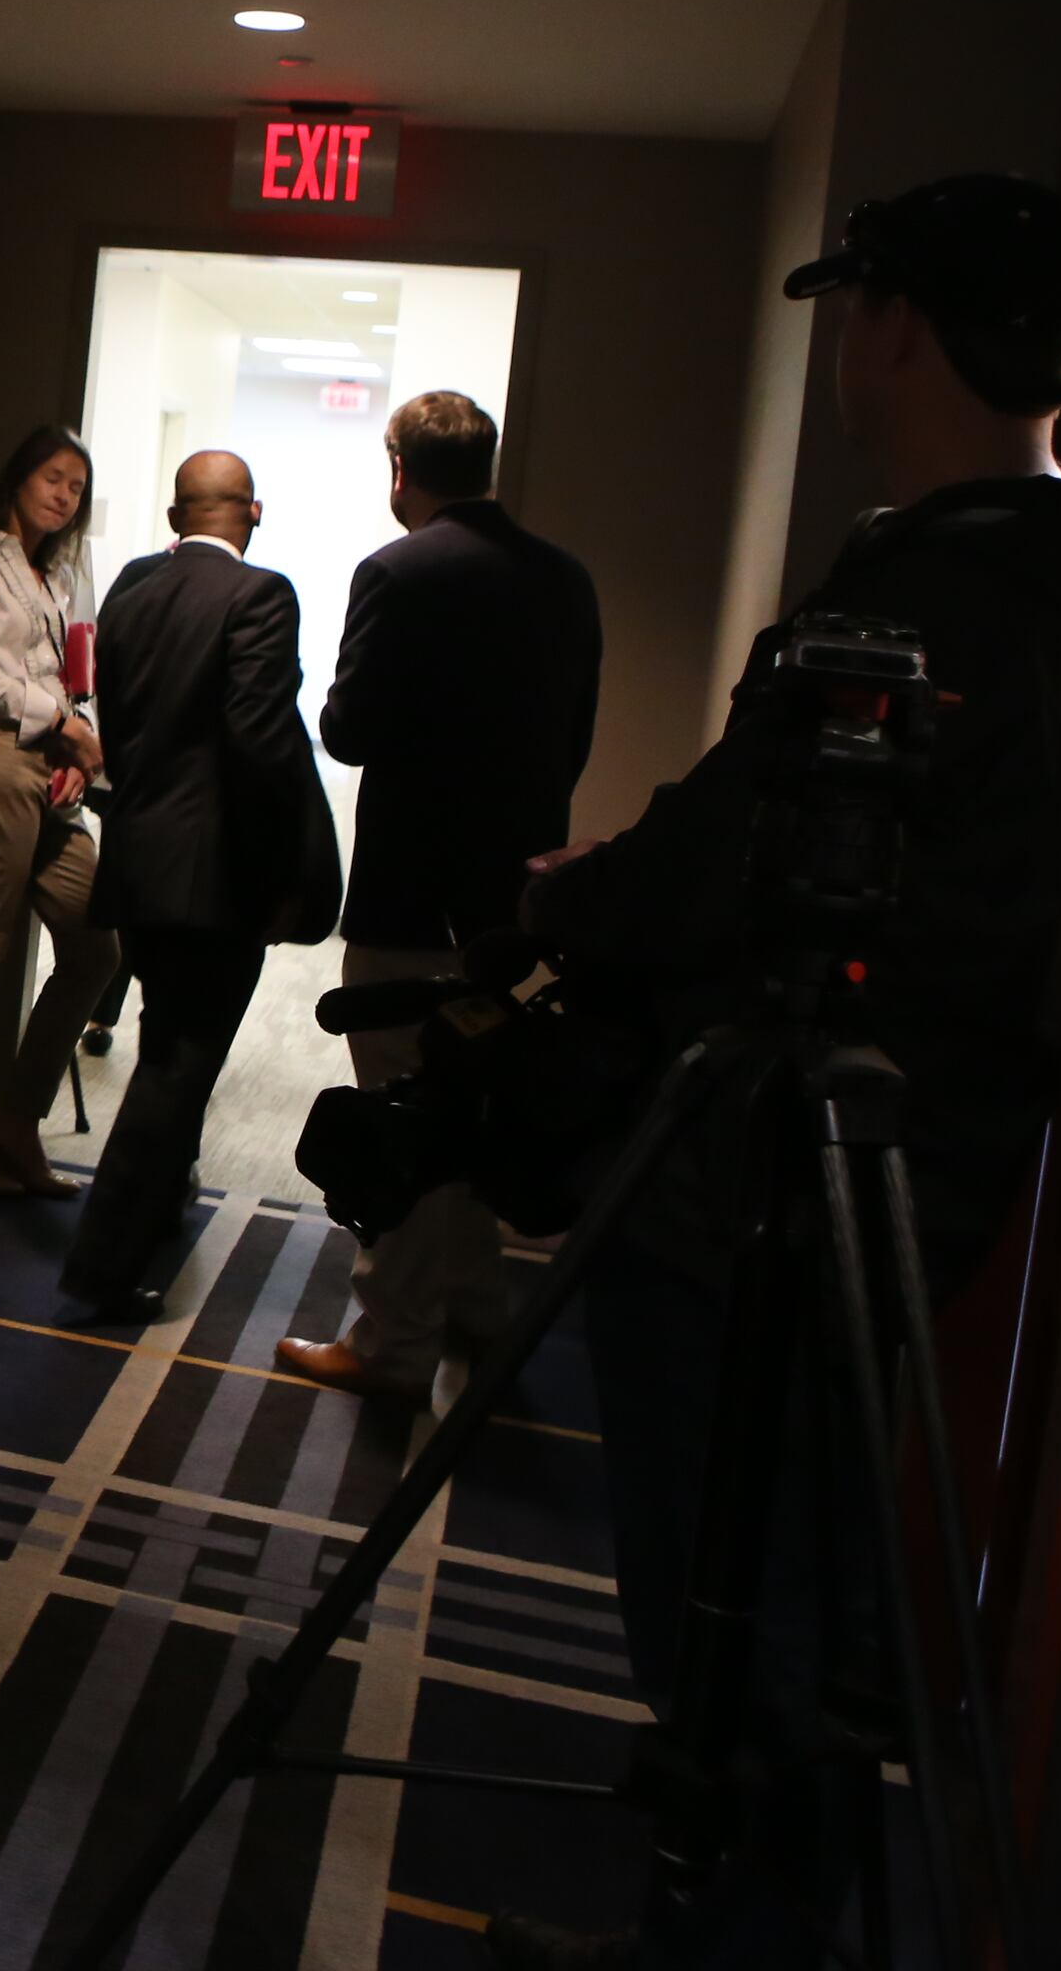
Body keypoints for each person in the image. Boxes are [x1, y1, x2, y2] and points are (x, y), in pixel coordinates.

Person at [487, 175, 1061, 1971]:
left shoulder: (944, 590)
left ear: (895, 322)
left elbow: (746, 841)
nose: (840, 348)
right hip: (915, 1151)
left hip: (769, 1179)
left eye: (851, 310)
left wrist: (569, 910)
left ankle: (729, 1934)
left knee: (734, 1610)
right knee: (799, 1582)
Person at [277, 391, 603, 1407]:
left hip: (412, 890)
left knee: (401, 1117)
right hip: (509, 899)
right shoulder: (565, 578)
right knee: (475, 1102)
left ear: (399, 466)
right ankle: (475, 1305)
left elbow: (350, 728)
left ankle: (392, 1345)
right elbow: (575, 737)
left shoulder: (396, 571)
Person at [55, 451, 342, 1325]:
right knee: (180, 1066)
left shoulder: (133, 588)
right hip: (214, 877)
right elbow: (259, 742)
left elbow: (125, 717)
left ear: (178, 515)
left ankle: (161, 1199)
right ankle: (106, 1264)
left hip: (138, 859)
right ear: (252, 513)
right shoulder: (262, 595)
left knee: (164, 1040)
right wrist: (278, 869)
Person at [0, 425, 126, 1198]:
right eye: (52, 477)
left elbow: (78, 677)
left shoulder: (64, 578)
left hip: (54, 771)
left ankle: (14, 1116)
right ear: (18, 477)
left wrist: (77, 740)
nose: (63, 494)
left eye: (76, 486)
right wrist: (63, 722)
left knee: (96, 949)